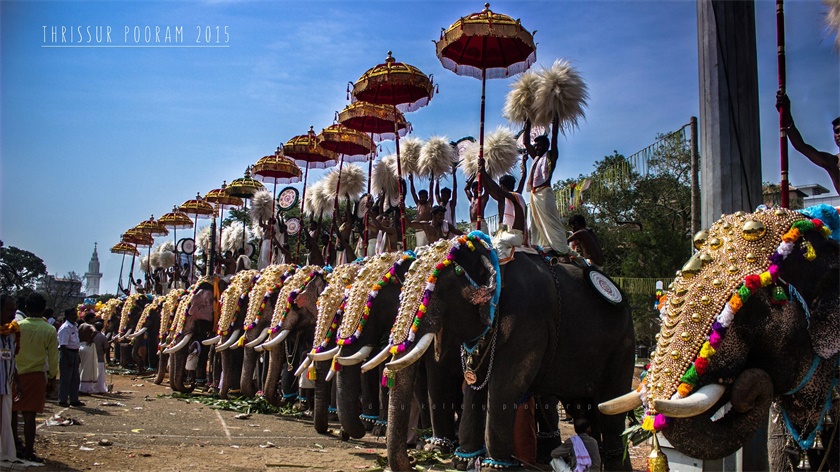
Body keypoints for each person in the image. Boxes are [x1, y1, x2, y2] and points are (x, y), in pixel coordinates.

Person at [523, 119, 581, 262]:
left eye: (539, 145)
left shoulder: (550, 156)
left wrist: (555, 119)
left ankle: (562, 250)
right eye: (535, 145)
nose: (536, 147)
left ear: (546, 146)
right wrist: (527, 121)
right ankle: (542, 247)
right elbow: (525, 142)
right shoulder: (536, 158)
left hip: (545, 193)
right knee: (535, 224)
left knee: (552, 221)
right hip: (534, 195)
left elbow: (554, 137)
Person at [12, 293, 58, 463]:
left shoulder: (16, 326)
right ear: (43, 310)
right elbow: (53, 357)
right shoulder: (49, 329)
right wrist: (53, 377)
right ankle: (29, 450)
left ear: (26, 309)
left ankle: (14, 445)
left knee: (13, 412)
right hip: (36, 374)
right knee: (30, 414)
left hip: (15, 373)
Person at [776, 92, 840, 194]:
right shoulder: (833, 162)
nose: (839, 134)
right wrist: (787, 116)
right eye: (837, 131)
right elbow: (800, 146)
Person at [0, 295, 20, 461]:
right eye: (9, 309)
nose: (13, 314)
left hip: (6, 384)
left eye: (14, 310)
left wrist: (16, 378)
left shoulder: (11, 333)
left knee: (5, 421)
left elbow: (11, 358)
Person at [56, 308, 84, 408]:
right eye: (72, 315)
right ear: (67, 316)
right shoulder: (65, 328)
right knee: (65, 378)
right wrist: (68, 359)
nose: (74, 316)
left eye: (75, 314)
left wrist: (77, 356)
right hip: (67, 353)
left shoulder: (75, 326)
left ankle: (74, 399)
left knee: (75, 378)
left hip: (75, 353)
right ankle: (62, 400)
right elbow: (63, 345)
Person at [408, 175, 434, 247]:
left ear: (427, 197)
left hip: (427, 229)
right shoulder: (418, 204)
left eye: (423, 197)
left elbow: (431, 191)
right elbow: (413, 193)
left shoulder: (429, 203)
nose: (422, 199)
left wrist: (431, 181)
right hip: (418, 229)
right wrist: (411, 181)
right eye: (421, 197)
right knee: (420, 248)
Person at [78, 312, 98, 395]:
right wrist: (91, 339)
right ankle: (84, 389)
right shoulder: (90, 326)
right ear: (90, 319)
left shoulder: (81, 326)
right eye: (94, 318)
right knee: (87, 368)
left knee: (81, 366)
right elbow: (95, 331)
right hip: (88, 346)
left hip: (80, 345)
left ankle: (79, 386)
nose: (95, 320)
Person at [91, 321, 108, 394]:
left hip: (91, 357)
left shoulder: (91, 336)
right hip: (100, 358)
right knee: (100, 375)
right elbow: (106, 347)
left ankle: (92, 388)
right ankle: (99, 388)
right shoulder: (103, 337)